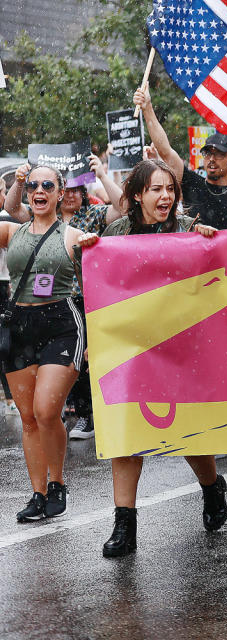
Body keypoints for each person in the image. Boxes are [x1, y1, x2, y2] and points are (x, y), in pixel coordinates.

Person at [73, 160, 226, 556]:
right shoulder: (114, 234)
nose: (165, 197)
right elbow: (98, 289)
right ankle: (125, 525)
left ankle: (211, 487)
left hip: (181, 345)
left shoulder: (189, 230)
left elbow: (216, 280)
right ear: (137, 195)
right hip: (131, 346)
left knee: (189, 433)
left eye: (170, 189)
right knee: (126, 432)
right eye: (156, 189)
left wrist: (212, 243)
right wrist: (87, 253)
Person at [5, 156, 125, 441]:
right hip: (36, 308)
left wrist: (102, 174)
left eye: (73, 190)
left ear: (78, 193)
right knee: (39, 405)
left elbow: (122, 208)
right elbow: (10, 208)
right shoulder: (33, 217)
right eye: (36, 186)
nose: (70, 194)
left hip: (79, 300)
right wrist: (22, 181)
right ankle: (58, 410)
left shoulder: (92, 217)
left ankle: (85, 414)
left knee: (81, 364)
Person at [1, 165, 86, 522]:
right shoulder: (11, 231)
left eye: (46, 185)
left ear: (59, 192)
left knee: (47, 410)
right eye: (32, 184)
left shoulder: (73, 235)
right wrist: (16, 183)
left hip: (61, 325)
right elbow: (9, 204)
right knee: (29, 417)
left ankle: (58, 483)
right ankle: (37, 493)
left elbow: (111, 266)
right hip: (19, 325)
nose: (39, 190)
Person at [133, 86, 227, 230]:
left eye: (219, 154)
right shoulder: (193, 184)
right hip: (195, 253)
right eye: (207, 153)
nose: (212, 159)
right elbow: (166, 151)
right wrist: (147, 108)